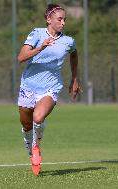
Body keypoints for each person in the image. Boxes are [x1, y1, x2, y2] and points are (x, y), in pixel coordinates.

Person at [17, 4, 81, 175]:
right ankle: (30, 148)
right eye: (60, 19)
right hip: (29, 85)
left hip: (51, 87)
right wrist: (41, 48)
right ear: (48, 19)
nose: (63, 23)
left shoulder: (68, 41)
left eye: (65, 19)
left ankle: (36, 145)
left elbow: (74, 54)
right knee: (25, 123)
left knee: (38, 117)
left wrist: (74, 78)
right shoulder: (36, 34)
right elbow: (21, 57)